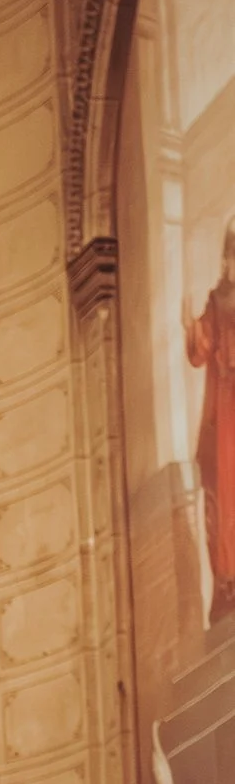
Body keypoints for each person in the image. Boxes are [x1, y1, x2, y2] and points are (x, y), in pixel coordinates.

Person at [184, 217, 235, 625]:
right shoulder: (219, 301)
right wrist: (191, 326)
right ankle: (228, 582)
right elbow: (200, 351)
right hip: (227, 417)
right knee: (225, 496)